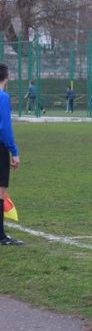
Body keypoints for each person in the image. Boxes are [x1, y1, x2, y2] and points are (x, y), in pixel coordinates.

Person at [0, 63, 23, 245]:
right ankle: (0, 236)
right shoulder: (3, 97)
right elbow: (5, 128)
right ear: (6, 78)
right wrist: (14, 152)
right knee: (0, 191)